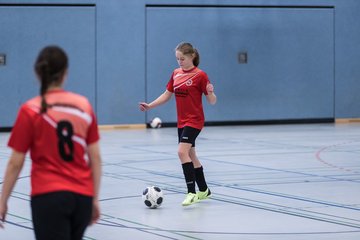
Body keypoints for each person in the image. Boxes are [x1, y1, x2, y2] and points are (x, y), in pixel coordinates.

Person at [0, 46, 102, 240]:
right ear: (66, 73)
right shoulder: (83, 106)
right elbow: (95, 158)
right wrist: (94, 198)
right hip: (81, 197)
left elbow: (15, 163)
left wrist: (3, 200)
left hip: (48, 197)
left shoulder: (30, 109)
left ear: (37, 73)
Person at [139, 42, 217, 206]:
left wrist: (210, 92)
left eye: (182, 58)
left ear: (192, 56)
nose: (179, 62)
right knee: (191, 154)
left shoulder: (200, 75)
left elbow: (212, 101)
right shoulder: (176, 73)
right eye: (177, 59)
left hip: (195, 120)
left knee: (182, 152)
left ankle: (191, 193)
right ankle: (204, 190)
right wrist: (150, 106)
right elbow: (167, 95)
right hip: (181, 121)